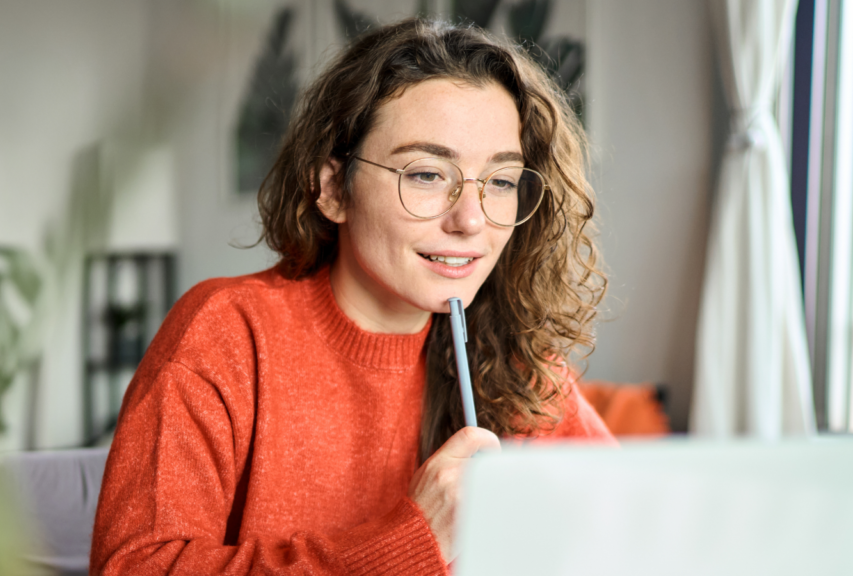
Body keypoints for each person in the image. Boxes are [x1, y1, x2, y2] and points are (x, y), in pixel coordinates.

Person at [90, 17, 612, 576]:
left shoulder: (513, 358)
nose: (470, 220)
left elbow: (631, 527)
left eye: (501, 182)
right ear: (334, 188)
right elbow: (137, 567)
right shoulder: (227, 333)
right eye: (427, 174)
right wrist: (413, 539)